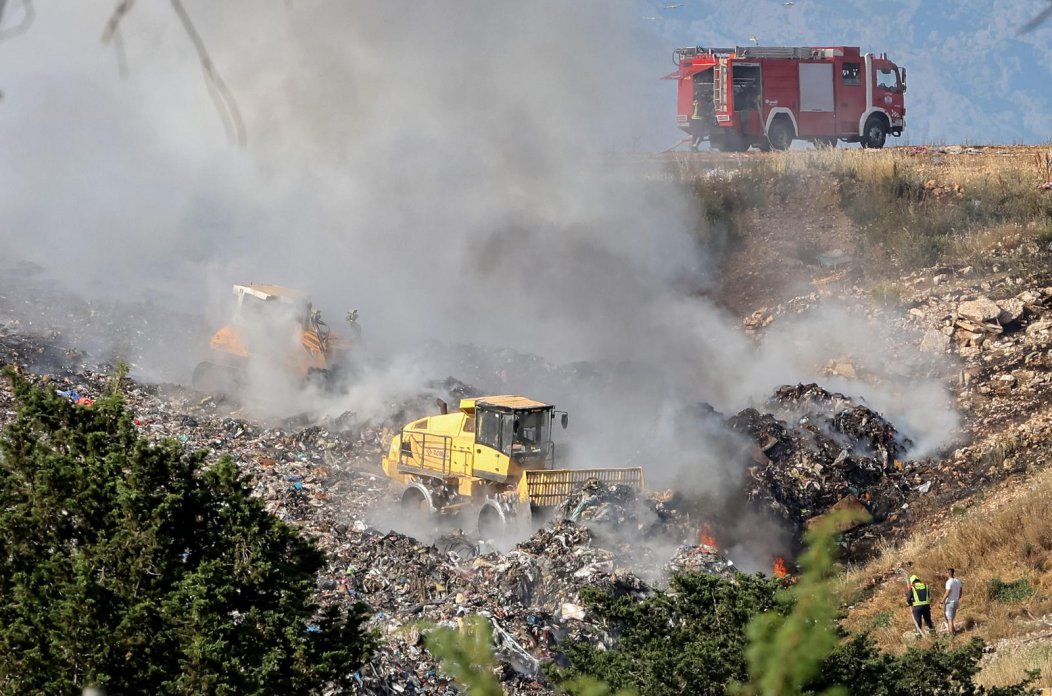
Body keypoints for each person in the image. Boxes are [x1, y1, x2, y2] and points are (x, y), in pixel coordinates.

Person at [942, 568, 964, 634]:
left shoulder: (949, 582)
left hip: (950, 602)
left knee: (949, 619)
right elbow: (961, 590)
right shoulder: (958, 581)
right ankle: (953, 631)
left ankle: (951, 634)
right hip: (956, 602)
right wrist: (958, 597)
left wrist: (942, 601)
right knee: (952, 618)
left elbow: (947, 592)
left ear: (948, 573)